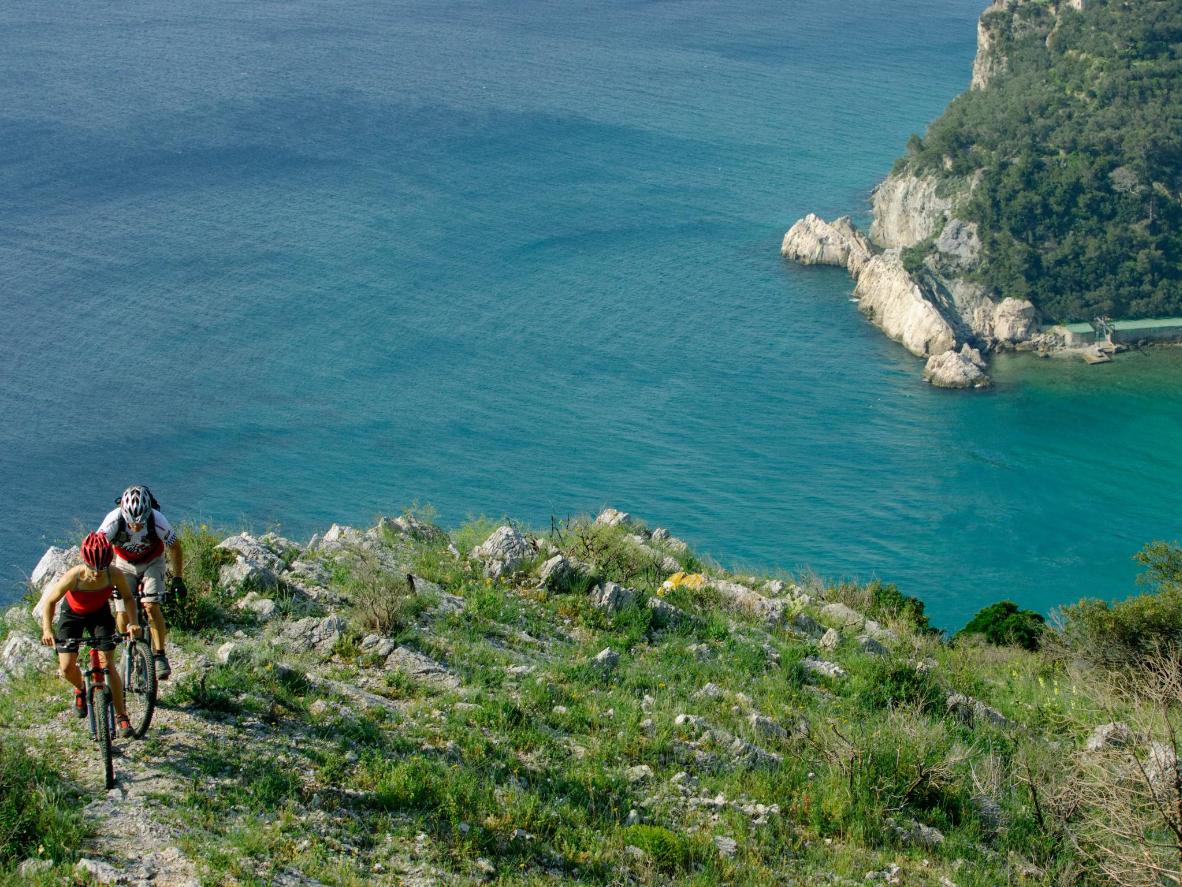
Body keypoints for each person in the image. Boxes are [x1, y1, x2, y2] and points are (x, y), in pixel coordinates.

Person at [40, 532, 141, 737]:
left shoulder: (114, 574)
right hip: (72, 615)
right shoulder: (74, 576)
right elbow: (50, 602)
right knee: (67, 667)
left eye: (102, 568)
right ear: (85, 562)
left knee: (107, 664)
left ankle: (122, 716)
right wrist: (47, 629)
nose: (97, 573)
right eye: (93, 568)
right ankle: (80, 688)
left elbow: (128, 599)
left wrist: (134, 623)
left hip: (99, 614)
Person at [97, 484, 185, 680]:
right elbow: (97, 547)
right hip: (124, 564)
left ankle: (160, 655)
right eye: (131, 523)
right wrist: (100, 577)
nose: (136, 526)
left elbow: (175, 548)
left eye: (140, 522)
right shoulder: (113, 521)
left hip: (153, 562)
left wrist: (178, 579)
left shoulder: (158, 520)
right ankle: (127, 647)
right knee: (121, 612)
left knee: (151, 604)